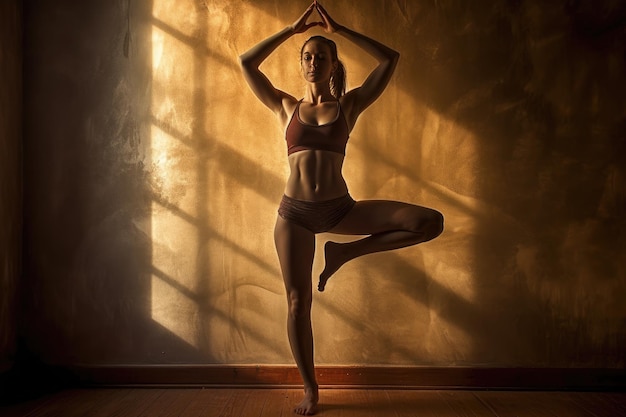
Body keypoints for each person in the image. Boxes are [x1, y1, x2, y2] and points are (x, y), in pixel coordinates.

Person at [239, 2, 444, 415]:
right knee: (298, 302)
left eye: (322, 57)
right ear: (302, 64)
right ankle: (311, 389)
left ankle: (345, 251)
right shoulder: (284, 107)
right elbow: (247, 62)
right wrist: (291, 30)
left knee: (429, 222)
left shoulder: (348, 107)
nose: (314, 62)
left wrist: (341, 29)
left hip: (339, 209)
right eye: (308, 57)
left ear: (334, 65)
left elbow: (390, 59)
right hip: (294, 215)